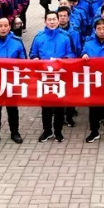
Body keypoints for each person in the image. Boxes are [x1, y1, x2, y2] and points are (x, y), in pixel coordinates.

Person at [30, 11, 75, 142]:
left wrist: (61, 61)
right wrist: (35, 58)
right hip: (44, 77)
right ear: (45, 21)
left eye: (54, 19)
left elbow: (72, 54)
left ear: (58, 20)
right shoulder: (39, 37)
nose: (52, 22)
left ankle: (58, 131)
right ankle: (47, 131)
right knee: (46, 107)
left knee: (59, 106)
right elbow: (32, 54)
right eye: (49, 19)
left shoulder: (66, 37)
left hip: (60, 76)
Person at [0, 17, 26, 145]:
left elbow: (24, 62)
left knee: (12, 108)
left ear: (9, 27)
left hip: (11, 81)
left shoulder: (17, 42)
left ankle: (15, 132)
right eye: (0, 26)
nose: (3, 28)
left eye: (5, 26)